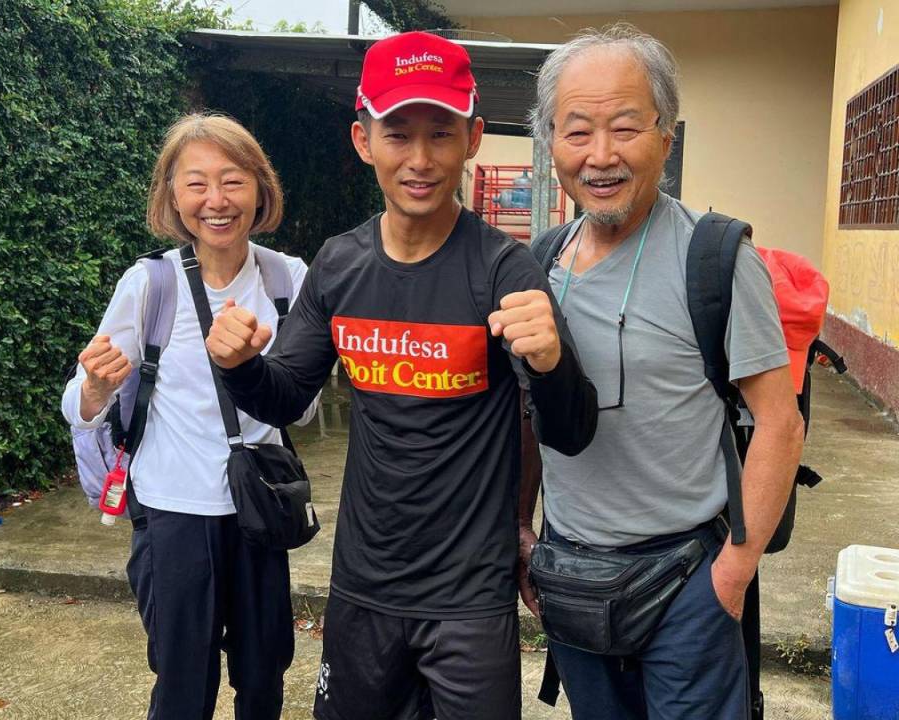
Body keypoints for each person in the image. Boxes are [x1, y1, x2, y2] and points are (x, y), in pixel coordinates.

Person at [205, 31, 598, 720]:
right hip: (364, 585)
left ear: (473, 138)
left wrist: (552, 362)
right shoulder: (339, 264)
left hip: (470, 598)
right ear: (363, 140)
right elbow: (288, 392)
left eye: (440, 134)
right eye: (398, 134)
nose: (420, 160)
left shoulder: (505, 271)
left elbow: (570, 431)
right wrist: (238, 368)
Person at [518, 24, 805, 720]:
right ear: (551, 143)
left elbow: (779, 422)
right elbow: (530, 412)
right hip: (573, 574)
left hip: (687, 580)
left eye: (625, 127)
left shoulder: (716, 259)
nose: (601, 155)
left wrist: (731, 575)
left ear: (666, 139)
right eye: (577, 131)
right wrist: (520, 533)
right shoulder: (538, 264)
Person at [62, 113, 316, 720]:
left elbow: (301, 411)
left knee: (263, 677)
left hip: (259, 509)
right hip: (173, 514)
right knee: (181, 682)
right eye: (196, 183)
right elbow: (81, 405)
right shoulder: (149, 284)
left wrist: (254, 369)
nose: (216, 201)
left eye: (232, 181)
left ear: (260, 187)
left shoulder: (289, 279)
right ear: (172, 195)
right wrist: (96, 386)